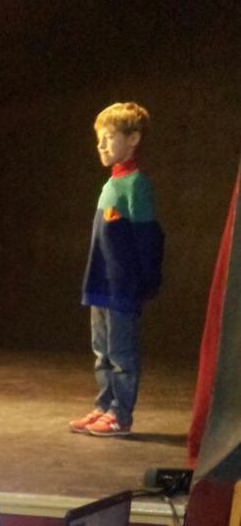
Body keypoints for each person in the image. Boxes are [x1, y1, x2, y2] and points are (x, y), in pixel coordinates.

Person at [70, 102, 163, 437]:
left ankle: (120, 415)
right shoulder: (111, 184)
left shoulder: (136, 185)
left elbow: (148, 237)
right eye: (99, 138)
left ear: (133, 138)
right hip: (101, 283)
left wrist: (146, 281)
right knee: (103, 352)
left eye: (109, 137)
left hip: (122, 286)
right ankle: (104, 405)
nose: (101, 144)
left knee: (122, 353)